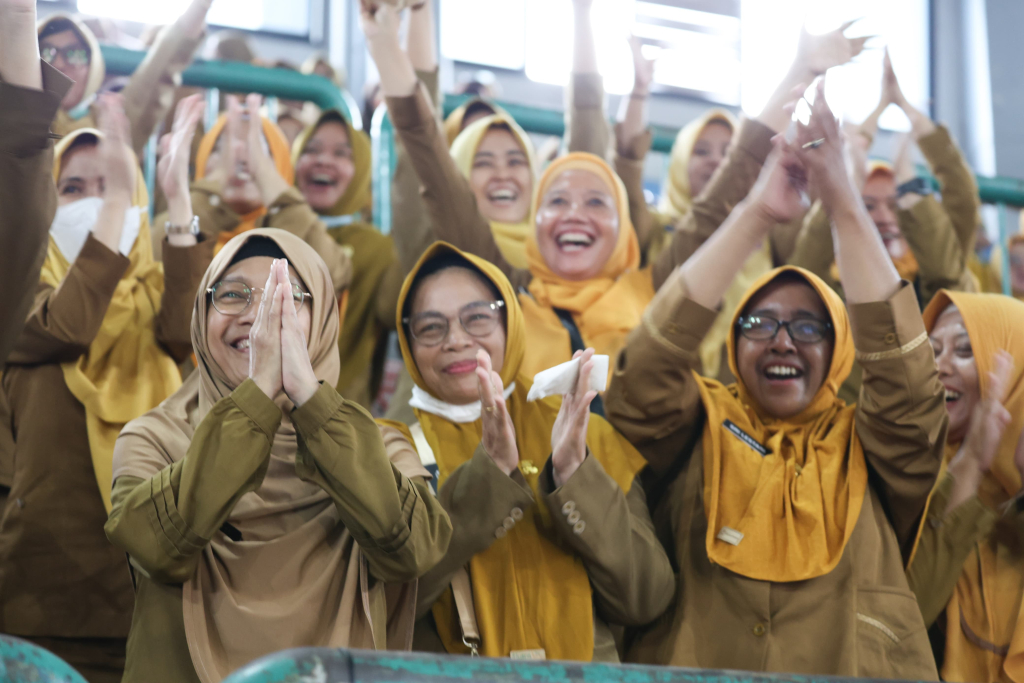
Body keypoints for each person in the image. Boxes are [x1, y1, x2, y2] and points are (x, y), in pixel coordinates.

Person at [604, 81, 945, 678]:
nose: (783, 341)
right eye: (759, 323)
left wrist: (844, 204)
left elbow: (909, 389)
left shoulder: (873, 445)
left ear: (840, 350)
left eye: (809, 328)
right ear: (733, 344)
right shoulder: (698, 423)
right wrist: (755, 214)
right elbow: (643, 378)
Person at [104, 229, 452, 683]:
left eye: (284, 297)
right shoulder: (151, 438)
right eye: (232, 295)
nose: (257, 316)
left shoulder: (379, 445)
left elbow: (414, 551)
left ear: (323, 320)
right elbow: (156, 550)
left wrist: (309, 396)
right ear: (200, 316)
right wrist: (258, 399)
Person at [0, 94, 213, 683]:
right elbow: (71, 324)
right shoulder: (16, 300)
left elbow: (189, 327)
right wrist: (119, 198)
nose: (95, 198)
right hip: (43, 602)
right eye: (73, 188)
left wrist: (176, 197)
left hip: (153, 598)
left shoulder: (154, 299)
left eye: (109, 183)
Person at [389, 241, 673, 661]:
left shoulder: (586, 434)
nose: (456, 340)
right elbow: (389, 602)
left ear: (511, 323)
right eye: (431, 327)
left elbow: (646, 599)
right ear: (407, 342)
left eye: (477, 317)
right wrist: (488, 476)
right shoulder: (392, 449)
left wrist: (573, 474)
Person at [790, 48, 980, 307]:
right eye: (868, 206)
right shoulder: (835, 284)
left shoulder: (943, 263)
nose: (885, 218)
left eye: (896, 205)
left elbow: (963, 198)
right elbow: (806, 267)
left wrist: (908, 115)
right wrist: (849, 181)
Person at [906, 291, 1024, 681]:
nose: (939, 367)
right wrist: (971, 461)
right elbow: (903, 621)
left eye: (964, 350)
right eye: (931, 350)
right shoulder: (905, 476)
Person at [152, 94, 352, 298]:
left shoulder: (303, 229)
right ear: (202, 159)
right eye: (221, 148)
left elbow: (331, 278)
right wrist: (212, 191)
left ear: (281, 165)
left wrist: (265, 175)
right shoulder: (172, 226)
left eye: (260, 149)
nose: (241, 157)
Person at [292, 108, 405, 408]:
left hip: (337, 414)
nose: (323, 160)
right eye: (311, 150)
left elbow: (394, 312)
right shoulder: (266, 228)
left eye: (342, 154)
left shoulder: (377, 248)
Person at [38, 0, 213, 156]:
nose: (59, 64)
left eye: (74, 53)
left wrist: (202, 4)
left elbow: (163, 62)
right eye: (46, 53)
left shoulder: (114, 121)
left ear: (93, 65)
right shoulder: (25, 119)